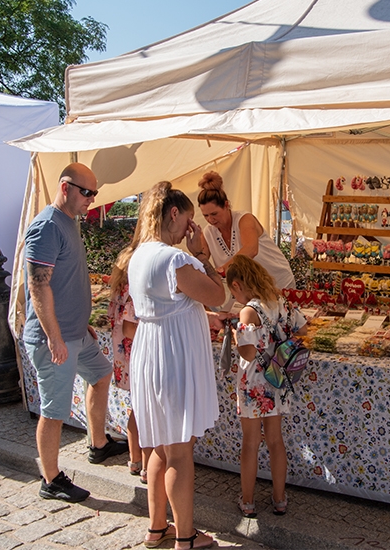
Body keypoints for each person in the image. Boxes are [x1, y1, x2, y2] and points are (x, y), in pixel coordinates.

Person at [125, 181, 225, 550]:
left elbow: (174, 302)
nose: (190, 228)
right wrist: (202, 255)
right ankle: (185, 536)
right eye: (188, 219)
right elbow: (219, 294)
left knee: (158, 449)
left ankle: (156, 528)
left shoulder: (139, 256)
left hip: (150, 352)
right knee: (180, 452)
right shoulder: (175, 259)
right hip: (172, 356)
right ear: (173, 213)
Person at [23, 163, 126, 503]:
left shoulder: (68, 222)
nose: (92, 199)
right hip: (56, 338)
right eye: (87, 192)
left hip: (74, 333)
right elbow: (39, 287)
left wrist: (81, 325)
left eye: (95, 193)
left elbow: (65, 281)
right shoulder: (48, 226)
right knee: (54, 411)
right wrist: (54, 336)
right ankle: (50, 479)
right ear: (65, 187)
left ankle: (97, 444)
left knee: (101, 373)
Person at [225, 255, 307, 518]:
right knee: (275, 440)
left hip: (254, 382)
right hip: (278, 378)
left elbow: (248, 353)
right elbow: (303, 329)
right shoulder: (280, 302)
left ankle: (247, 501)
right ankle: (279, 498)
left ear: (237, 285)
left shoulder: (248, 311)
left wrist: (239, 336)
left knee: (250, 442)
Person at [197, 171, 296, 291]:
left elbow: (251, 249)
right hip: (249, 290)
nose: (210, 219)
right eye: (205, 215)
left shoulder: (244, 219)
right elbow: (200, 261)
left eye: (214, 214)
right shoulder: (208, 233)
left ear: (226, 205)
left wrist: (222, 270)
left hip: (278, 283)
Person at [108, 242, 148, 484]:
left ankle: (135, 460)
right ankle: (141, 461)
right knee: (142, 411)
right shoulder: (133, 290)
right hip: (135, 354)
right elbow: (130, 327)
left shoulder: (119, 289)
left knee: (138, 409)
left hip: (125, 355)